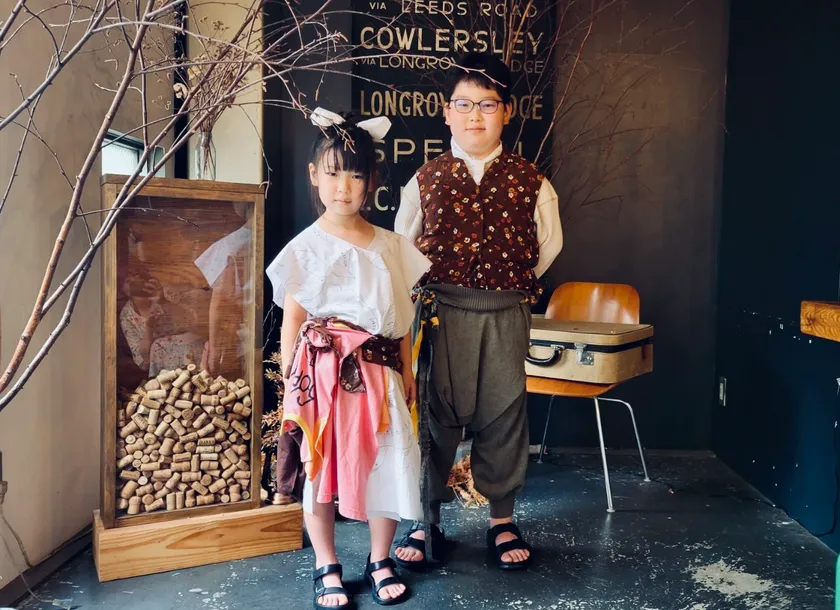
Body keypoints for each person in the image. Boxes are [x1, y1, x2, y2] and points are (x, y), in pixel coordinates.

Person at [393, 52, 563, 572]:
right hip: (440, 314)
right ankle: (425, 519)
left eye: (487, 105)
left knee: (504, 412)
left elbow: (549, 246)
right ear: (447, 112)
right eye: (463, 105)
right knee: (433, 415)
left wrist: (506, 285)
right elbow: (402, 246)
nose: (475, 116)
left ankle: (502, 520)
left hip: (506, 313)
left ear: (506, 112)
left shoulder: (532, 181)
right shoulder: (424, 179)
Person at [266, 107, 431, 609]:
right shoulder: (305, 247)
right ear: (314, 175)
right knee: (320, 470)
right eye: (333, 173)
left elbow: (402, 315)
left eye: (356, 175)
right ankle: (326, 563)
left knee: (388, 461)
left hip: (380, 372)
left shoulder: (392, 246)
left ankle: (380, 558)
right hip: (321, 374)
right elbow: (294, 320)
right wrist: (291, 382)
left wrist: (407, 370)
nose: (344, 186)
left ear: (372, 181)